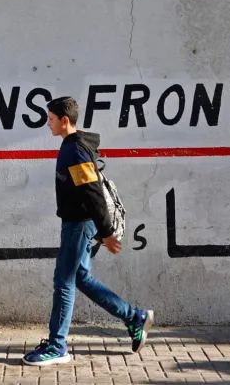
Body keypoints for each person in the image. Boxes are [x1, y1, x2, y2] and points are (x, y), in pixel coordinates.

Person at [22, 96, 154, 366]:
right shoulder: (73, 144)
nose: (48, 124)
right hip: (77, 223)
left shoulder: (75, 150)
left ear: (64, 120)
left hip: (79, 225)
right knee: (80, 277)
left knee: (64, 282)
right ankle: (134, 317)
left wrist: (106, 232)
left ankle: (57, 347)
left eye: (50, 119)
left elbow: (92, 191)